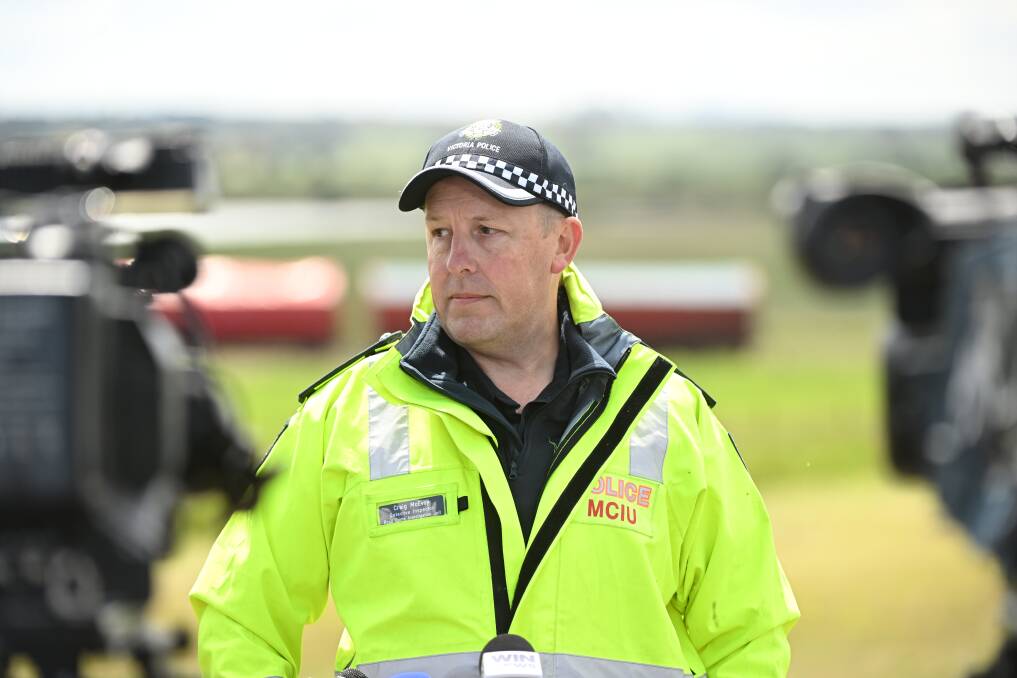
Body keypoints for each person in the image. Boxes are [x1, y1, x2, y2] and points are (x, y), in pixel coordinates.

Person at [190, 119, 800, 677]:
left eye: (486, 232)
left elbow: (748, 636)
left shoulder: (666, 413)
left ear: (562, 245)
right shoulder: (345, 412)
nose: (457, 261)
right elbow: (241, 612)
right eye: (440, 233)